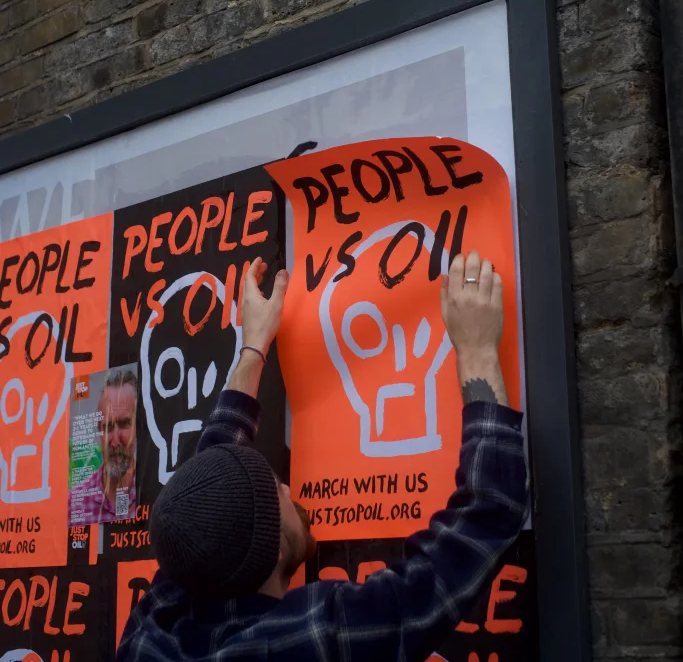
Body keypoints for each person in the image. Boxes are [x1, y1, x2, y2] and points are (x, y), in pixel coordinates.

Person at [117, 250, 527, 662]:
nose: (288, 486)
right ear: (272, 550)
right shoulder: (310, 642)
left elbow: (215, 469)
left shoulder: (149, 636)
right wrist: (477, 352)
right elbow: (486, 512)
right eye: (277, 494)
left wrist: (253, 349)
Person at [69, 368, 138, 524]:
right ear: (99, 431)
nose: (114, 441)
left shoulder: (155, 491)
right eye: (107, 427)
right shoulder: (74, 504)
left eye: (124, 424)